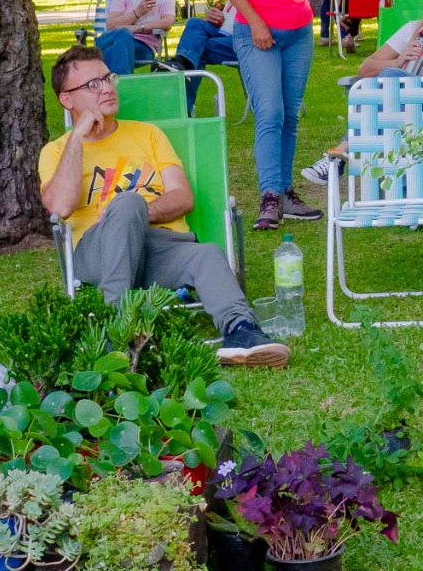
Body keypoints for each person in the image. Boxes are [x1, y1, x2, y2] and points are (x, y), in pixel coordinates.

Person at [38, 46, 286, 369]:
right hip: (98, 251)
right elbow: (60, 206)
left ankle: (243, 332)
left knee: (207, 254)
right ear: (66, 99)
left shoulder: (148, 135)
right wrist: (77, 136)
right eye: (93, 85)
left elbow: (183, 197)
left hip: (159, 247)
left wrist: (141, 212)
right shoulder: (56, 151)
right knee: (126, 205)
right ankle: (118, 336)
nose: (108, 88)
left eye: (108, 78)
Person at [221, 0, 323, 231]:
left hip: (297, 32)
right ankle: (269, 197)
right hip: (257, 31)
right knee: (270, 113)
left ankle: (284, 193)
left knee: (291, 114)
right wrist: (256, 21)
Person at [96, 0, 177, 76]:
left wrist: (137, 28)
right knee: (123, 34)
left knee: (111, 51)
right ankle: (124, 84)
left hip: (143, 45)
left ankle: (115, 83)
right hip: (113, 38)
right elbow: (111, 25)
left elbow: (167, 22)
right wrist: (138, 12)